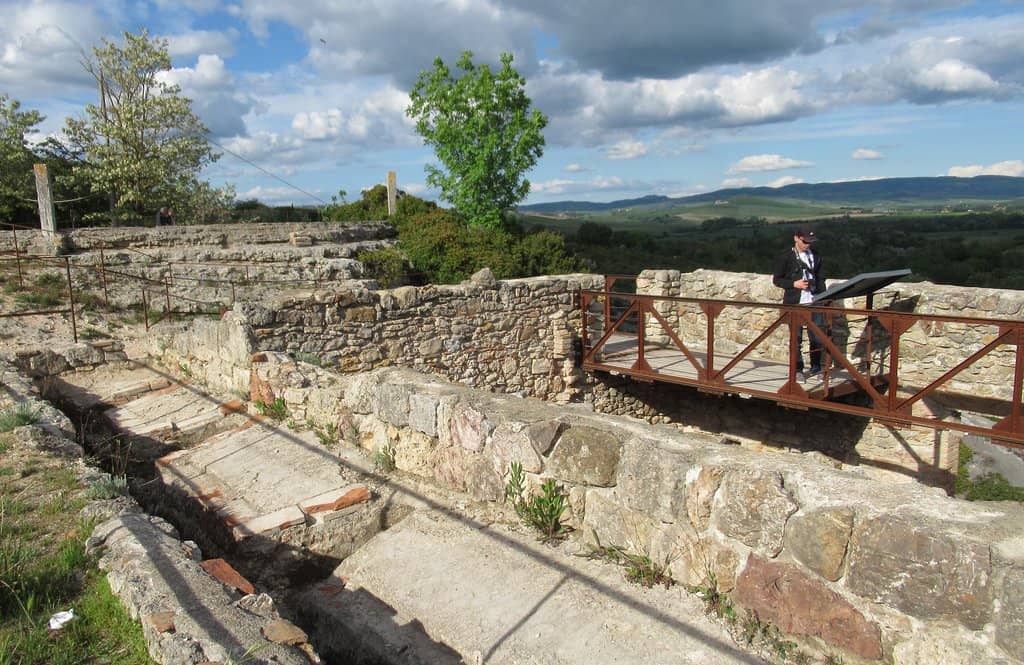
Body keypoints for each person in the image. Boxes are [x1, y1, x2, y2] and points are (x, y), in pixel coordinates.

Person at [772, 225, 826, 380]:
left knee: (816, 337)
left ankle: (816, 368)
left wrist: (822, 296)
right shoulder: (786, 257)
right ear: (796, 238)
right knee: (796, 339)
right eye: (805, 241)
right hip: (794, 303)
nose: (807, 244)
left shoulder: (815, 255)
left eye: (810, 242)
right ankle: (798, 370)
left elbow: (821, 278)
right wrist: (793, 284)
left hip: (814, 301)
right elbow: (777, 279)